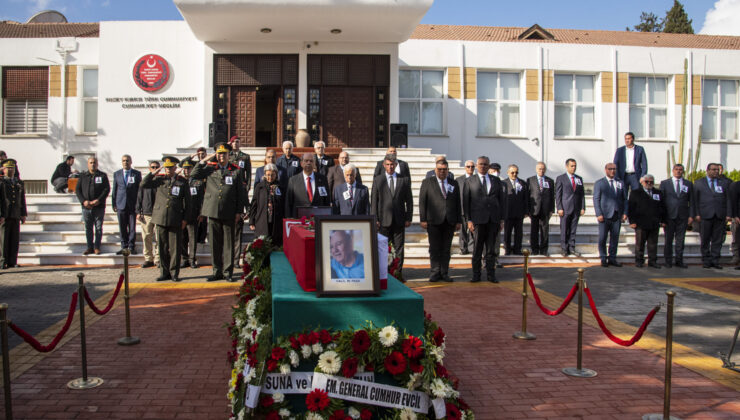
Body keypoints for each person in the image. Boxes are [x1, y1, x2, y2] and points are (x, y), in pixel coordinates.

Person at [191, 143, 248, 281]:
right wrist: (204, 160)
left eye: (224, 153)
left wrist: (239, 211)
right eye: (219, 153)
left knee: (229, 243)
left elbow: (240, 193)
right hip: (213, 210)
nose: (221, 156)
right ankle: (217, 271)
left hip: (229, 211)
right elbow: (194, 174)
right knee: (215, 244)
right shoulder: (210, 168)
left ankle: (227, 272)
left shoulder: (236, 170)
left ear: (229, 155)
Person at [141, 156, 188, 282]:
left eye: (170, 167)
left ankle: (174, 273)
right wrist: (154, 172)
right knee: (162, 247)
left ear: (175, 168)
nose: (168, 169)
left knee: (175, 248)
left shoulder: (182, 181)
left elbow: (188, 202)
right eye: (166, 167)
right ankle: (164, 272)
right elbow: (143, 184)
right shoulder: (159, 180)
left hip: (175, 218)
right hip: (161, 217)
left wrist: (185, 219)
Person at [419, 158, 461, 282]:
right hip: (433, 221)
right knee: (434, 248)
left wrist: (459, 220)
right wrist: (423, 219)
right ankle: (435, 272)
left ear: (448, 170)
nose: (442, 172)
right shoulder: (427, 182)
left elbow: (458, 203)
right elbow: (422, 201)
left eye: (444, 169)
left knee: (446, 249)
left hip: (450, 221)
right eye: (439, 169)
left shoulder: (454, 183)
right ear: (435, 170)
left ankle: (444, 272)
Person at [464, 156, 505, 283]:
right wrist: (468, 220)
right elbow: (466, 202)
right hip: (477, 221)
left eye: (486, 164)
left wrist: (501, 219)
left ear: (489, 166)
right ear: (476, 166)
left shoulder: (496, 180)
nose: (483, 166)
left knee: (491, 250)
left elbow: (502, 200)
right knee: (477, 250)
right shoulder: (470, 181)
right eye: (481, 164)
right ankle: (476, 275)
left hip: (493, 220)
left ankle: (491, 275)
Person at [371, 154, 414, 275]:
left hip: (399, 220)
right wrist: (375, 219)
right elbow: (374, 201)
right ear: (384, 165)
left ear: (396, 165)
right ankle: (384, 274)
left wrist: (408, 217)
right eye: (388, 165)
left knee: (399, 248)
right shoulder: (378, 180)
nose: (390, 167)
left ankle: (398, 274)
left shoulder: (403, 180)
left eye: (392, 165)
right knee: (383, 248)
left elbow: (409, 200)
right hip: (383, 221)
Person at [693, 163, 732, 269]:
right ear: (708, 170)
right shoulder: (699, 183)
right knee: (705, 239)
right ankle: (706, 260)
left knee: (718, 239)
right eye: (713, 169)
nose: (716, 171)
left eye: (717, 170)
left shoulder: (723, 183)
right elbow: (695, 200)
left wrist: (729, 214)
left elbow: (728, 199)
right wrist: (696, 213)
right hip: (705, 215)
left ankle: (715, 260)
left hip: (719, 215)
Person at [593, 163, 627, 267]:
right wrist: (598, 213)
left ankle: (612, 258)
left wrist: (625, 213)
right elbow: (596, 199)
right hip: (604, 215)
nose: (613, 171)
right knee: (602, 238)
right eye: (610, 169)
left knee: (615, 238)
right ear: (606, 170)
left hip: (617, 215)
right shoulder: (600, 183)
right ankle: (603, 258)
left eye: (614, 169)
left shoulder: (620, 182)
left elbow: (625, 199)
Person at [660, 164, 694, 268]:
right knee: (668, 240)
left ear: (683, 171)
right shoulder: (665, 183)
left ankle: (679, 260)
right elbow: (661, 201)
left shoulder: (688, 184)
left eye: (680, 170)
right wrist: (662, 217)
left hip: (683, 216)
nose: (678, 171)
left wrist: (691, 216)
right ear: (672, 170)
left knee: (680, 240)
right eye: (676, 169)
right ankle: (668, 261)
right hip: (669, 216)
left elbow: (692, 201)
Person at [75, 156, 110, 255]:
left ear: (97, 164)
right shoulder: (83, 176)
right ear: (87, 164)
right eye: (90, 163)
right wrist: (83, 201)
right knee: (88, 228)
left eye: (94, 162)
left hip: (99, 207)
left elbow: (106, 189)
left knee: (98, 228)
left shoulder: (102, 175)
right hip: (86, 207)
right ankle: (89, 247)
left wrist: (98, 200)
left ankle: (97, 247)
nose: (92, 164)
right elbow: (78, 190)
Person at [628, 175, 665, 268]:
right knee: (640, 243)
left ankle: (652, 261)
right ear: (642, 182)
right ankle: (639, 260)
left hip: (654, 222)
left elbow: (662, 207)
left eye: (651, 182)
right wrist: (632, 221)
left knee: (653, 244)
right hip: (640, 223)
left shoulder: (658, 193)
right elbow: (631, 208)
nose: (649, 183)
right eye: (647, 181)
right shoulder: (635, 193)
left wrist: (663, 220)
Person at [227, 136, 251, 268]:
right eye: (233, 142)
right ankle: (228, 259)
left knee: (237, 233)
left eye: (237, 142)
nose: (235, 144)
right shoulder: (226, 156)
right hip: (229, 193)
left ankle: (236, 260)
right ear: (230, 143)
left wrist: (246, 189)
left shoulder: (245, 157)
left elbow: (248, 174)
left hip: (240, 193)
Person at [555, 158, 586, 257]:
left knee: (573, 229)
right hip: (565, 208)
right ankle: (564, 248)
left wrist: (582, 207)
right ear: (567, 166)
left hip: (576, 208)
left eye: (575, 166)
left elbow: (582, 194)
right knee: (564, 229)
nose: (574, 168)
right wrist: (559, 207)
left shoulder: (579, 179)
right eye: (572, 166)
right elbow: (558, 194)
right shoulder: (561, 178)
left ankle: (572, 247)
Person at [112, 154, 142, 254]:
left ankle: (131, 246)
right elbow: (115, 189)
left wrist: (139, 205)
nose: (126, 162)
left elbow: (139, 190)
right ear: (122, 162)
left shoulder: (136, 174)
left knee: (132, 227)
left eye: (127, 160)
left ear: (131, 162)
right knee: (122, 226)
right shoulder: (117, 174)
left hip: (132, 204)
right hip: (120, 204)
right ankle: (124, 246)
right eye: (124, 160)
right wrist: (114, 204)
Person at [285, 153, 331, 218]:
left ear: (314, 164)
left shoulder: (322, 179)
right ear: (301, 163)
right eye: (306, 161)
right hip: (299, 220)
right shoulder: (293, 180)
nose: (308, 163)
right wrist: (289, 219)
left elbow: (326, 201)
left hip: (318, 219)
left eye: (311, 161)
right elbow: (288, 202)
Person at [249, 163, 284, 246]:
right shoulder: (259, 187)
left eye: (272, 175)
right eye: (268, 175)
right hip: (262, 221)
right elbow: (254, 204)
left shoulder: (281, 187)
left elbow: (283, 204)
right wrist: (251, 221)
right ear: (264, 175)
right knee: (262, 246)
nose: (270, 177)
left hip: (276, 222)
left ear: (276, 174)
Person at [0, 159, 26, 269]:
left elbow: (22, 199)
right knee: (3, 240)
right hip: (5, 215)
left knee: (14, 239)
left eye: (13, 168)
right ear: (3, 170)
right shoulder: (2, 182)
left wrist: (23, 213)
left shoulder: (18, 183)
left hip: (15, 213)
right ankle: (2, 261)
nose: (11, 170)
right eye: (9, 168)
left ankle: (12, 261)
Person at [179, 158, 205, 268]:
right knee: (182, 238)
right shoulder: (179, 182)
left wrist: (202, 213)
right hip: (181, 215)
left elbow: (203, 199)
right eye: (185, 169)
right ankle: (184, 259)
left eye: (189, 168)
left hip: (194, 214)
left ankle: (192, 259)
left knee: (193, 238)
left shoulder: (198, 183)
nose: (187, 171)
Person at [526, 162, 554, 256]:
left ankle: (544, 249)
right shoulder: (530, 180)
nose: (541, 170)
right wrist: (528, 210)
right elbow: (527, 195)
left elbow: (552, 196)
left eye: (543, 169)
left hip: (545, 209)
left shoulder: (550, 181)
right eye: (539, 169)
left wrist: (552, 210)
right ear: (536, 169)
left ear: (545, 169)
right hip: (534, 209)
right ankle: (534, 249)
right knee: (534, 230)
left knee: (544, 230)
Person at [136, 160, 160, 268]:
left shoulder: (161, 181)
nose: (155, 169)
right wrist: (138, 211)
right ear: (149, 169)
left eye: (156, 167)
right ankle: (148, 258)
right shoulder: (145, 182)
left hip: (159, 213)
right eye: (153, 167)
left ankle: (158, 259)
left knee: (159, 237)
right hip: (147, 213)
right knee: (146, 237)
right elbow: (139, 197)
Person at [502, 164, 528, 256]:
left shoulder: (522, 183)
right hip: (508, 213)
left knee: (518, 232)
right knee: (507, 232)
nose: (514, 174)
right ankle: (507, 249)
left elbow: (526, 198)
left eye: (516, 172)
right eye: (512, 172)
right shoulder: (503, 183)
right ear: (508, 172)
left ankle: (517, 249)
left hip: (519, 212)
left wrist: (526, 211)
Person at [613, 132, 647, 198]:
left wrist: (643, 176)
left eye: (628, 138)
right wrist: (617, 177)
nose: (627, 140)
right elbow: (615, 164)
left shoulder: (640, 149)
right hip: (623, 176)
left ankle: (635, 208)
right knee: (623, 195)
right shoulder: (620, 150)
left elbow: (644, 164)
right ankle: (625, 208)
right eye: (625, 139)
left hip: (635, 176)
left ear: (633, 139)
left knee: (636, 195)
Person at [456, 160, 476, 255]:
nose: (470, 168)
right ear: (465, 167)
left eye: (472, 167)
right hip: (462, 209)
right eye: (468, 166)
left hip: (474, 209)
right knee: (463, 230)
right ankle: (463, 248)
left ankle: (471, 248)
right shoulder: (459, 180)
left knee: (473, 230)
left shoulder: (477, 179)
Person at [731, 179, 740, 269]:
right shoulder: (737, 185)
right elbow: (734, 201)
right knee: (738, 240)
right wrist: (735, 215)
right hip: (739, 218)